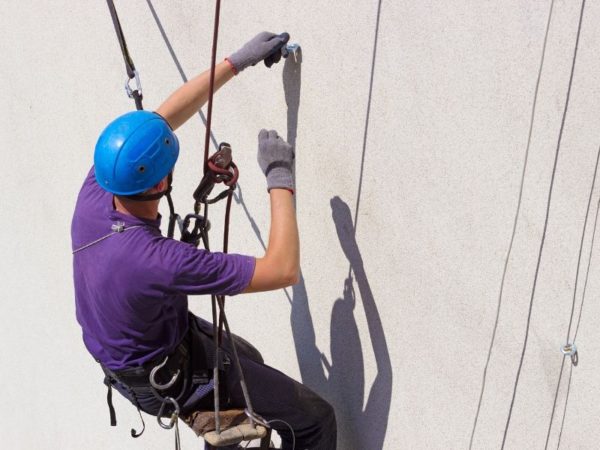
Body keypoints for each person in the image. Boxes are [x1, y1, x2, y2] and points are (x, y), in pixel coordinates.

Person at [71, 32, 336, 450]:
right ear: (161, 183)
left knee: (249, 358)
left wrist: (236, 62)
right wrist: (279, 177)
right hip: (162, 377)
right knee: (315, 419)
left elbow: (162, 119)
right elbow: (282, 269)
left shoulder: (100, 188)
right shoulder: (158, 259)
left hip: (134, 353)